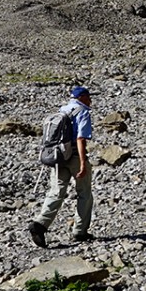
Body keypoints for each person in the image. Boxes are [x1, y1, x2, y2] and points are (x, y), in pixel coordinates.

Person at [29, 84, 94, 247]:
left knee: (56, 192)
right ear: (82, 98)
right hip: (73, 156)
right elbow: (80, 138)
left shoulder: (62, 110)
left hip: (58, 156)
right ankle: (80, 232)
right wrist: (82, 163)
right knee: (84, 193)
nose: (90, 100)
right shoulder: (82, 112)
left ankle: (40, 224)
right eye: (88, 96)